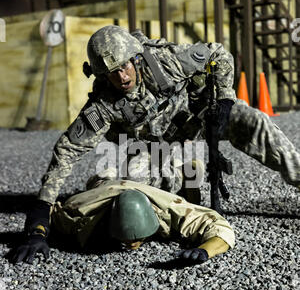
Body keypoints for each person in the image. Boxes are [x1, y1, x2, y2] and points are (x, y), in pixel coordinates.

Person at [13, 24, 300, 263]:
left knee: (255, 121)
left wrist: (224, 100)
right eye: (112, 72)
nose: (121, 76)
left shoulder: (166, 61)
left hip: (199, 119)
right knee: (131, 196)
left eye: (124, 66)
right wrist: (40, 216)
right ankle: (187, 174)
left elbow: (218, 53)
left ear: (134, 58)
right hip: (155, 147)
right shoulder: (103, 104)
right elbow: (67, 151)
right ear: (101, 75)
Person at [11, 179, 235, 265]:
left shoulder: (169, 208)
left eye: (138, 238)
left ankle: (184, 175)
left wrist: (206, 250)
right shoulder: (80, 211)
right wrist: (36, 235)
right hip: (104, 186)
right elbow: (45, 208)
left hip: (150, 187)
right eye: (125, 238)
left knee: (172, 176)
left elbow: (218, 225)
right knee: (101, 176)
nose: (131, 245)